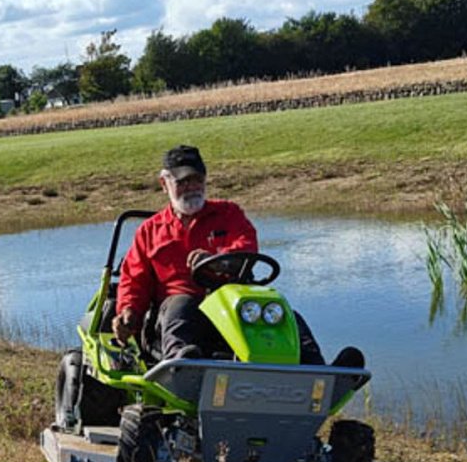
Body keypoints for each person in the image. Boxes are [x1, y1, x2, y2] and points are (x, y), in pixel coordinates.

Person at [113, 145, 353, 367]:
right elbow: (134, 281)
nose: (192, 187)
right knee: (182, 304)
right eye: (183, 182)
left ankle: (318, 369)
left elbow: (246, 246)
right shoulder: (149, 231)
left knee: (276, 310)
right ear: (164, 184)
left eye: (197, 179)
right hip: (175, 314)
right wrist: (128, 311)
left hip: (230, 308)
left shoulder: (228, 214)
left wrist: (220, 259)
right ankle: (182, 364)